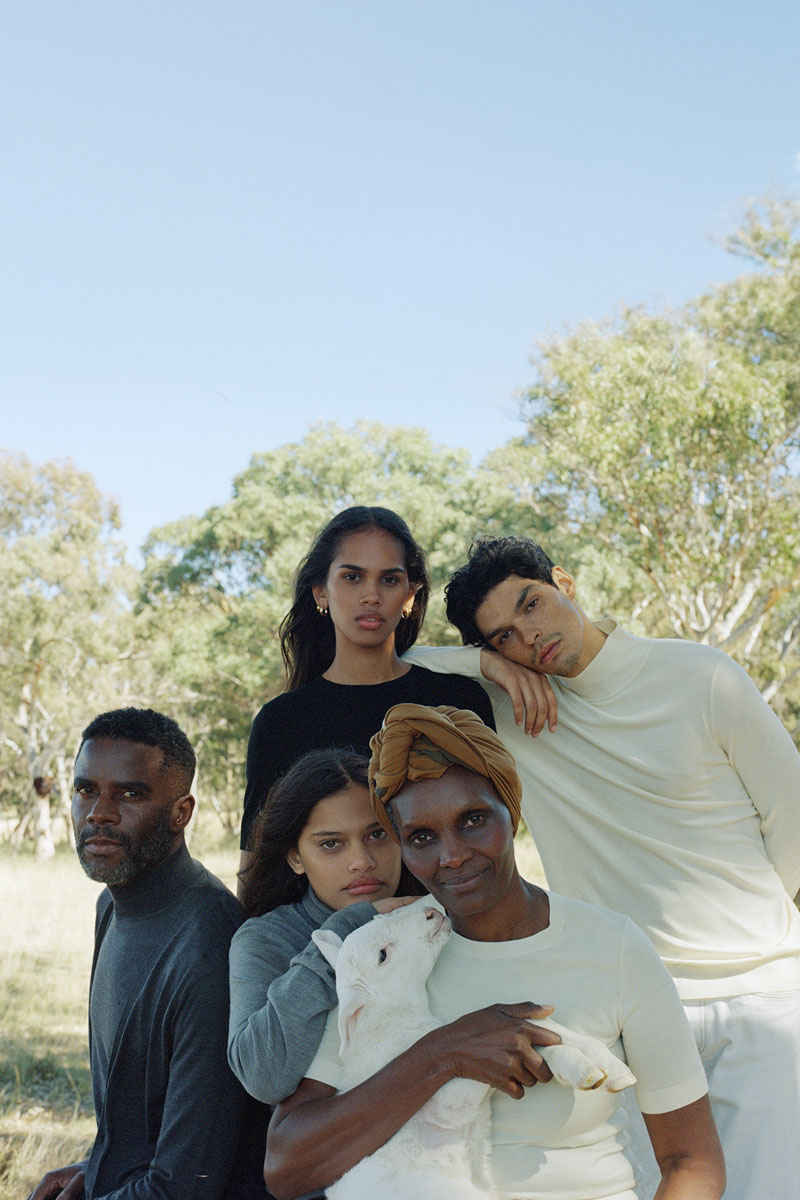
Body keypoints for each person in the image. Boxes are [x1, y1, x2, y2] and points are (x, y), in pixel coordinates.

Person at [403, 535, 800, 1200]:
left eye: (532, 604)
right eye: (504, 636)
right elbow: (395, 661)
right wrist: (487, 666)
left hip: (759, 994)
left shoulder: (701, 675)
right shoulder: (510, 711)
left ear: (566, 581)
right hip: (632, 1010)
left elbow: (795, 831)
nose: (529, 636)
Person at [264, 704, 725, 1200]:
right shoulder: (388, 955)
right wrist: (443, 1054)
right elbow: (289, 1167)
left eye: (474, 820)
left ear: (513, 813)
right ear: (401, 845)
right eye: (422, 837)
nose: (453, 854)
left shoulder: (612, 947)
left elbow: (691, 1162)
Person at [28, 707, 267, 1200]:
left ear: (182, 812)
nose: (99, 813)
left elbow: (185, 1186)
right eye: (86, 790)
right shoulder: (110, 906)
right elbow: (140, 1127)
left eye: (130, 794)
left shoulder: (209, 948)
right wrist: (93, 1168)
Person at [238, 505, 495, 893]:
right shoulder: (281, 721)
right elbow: (256, 869)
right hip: (323, 943)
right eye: (352, 577)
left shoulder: (458, 701)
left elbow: (492, 830)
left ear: (410, 596)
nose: (371, 595)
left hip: (455, 926)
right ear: (320, 592)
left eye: (389, 580)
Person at [228, 746, 423, 1106]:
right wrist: (341, 937)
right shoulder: (267, 939)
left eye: (377, 835)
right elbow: (262, 1077)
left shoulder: (431, 917)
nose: (361, 861)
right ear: (295, 857)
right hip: (333, 1148)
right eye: (332, 844)